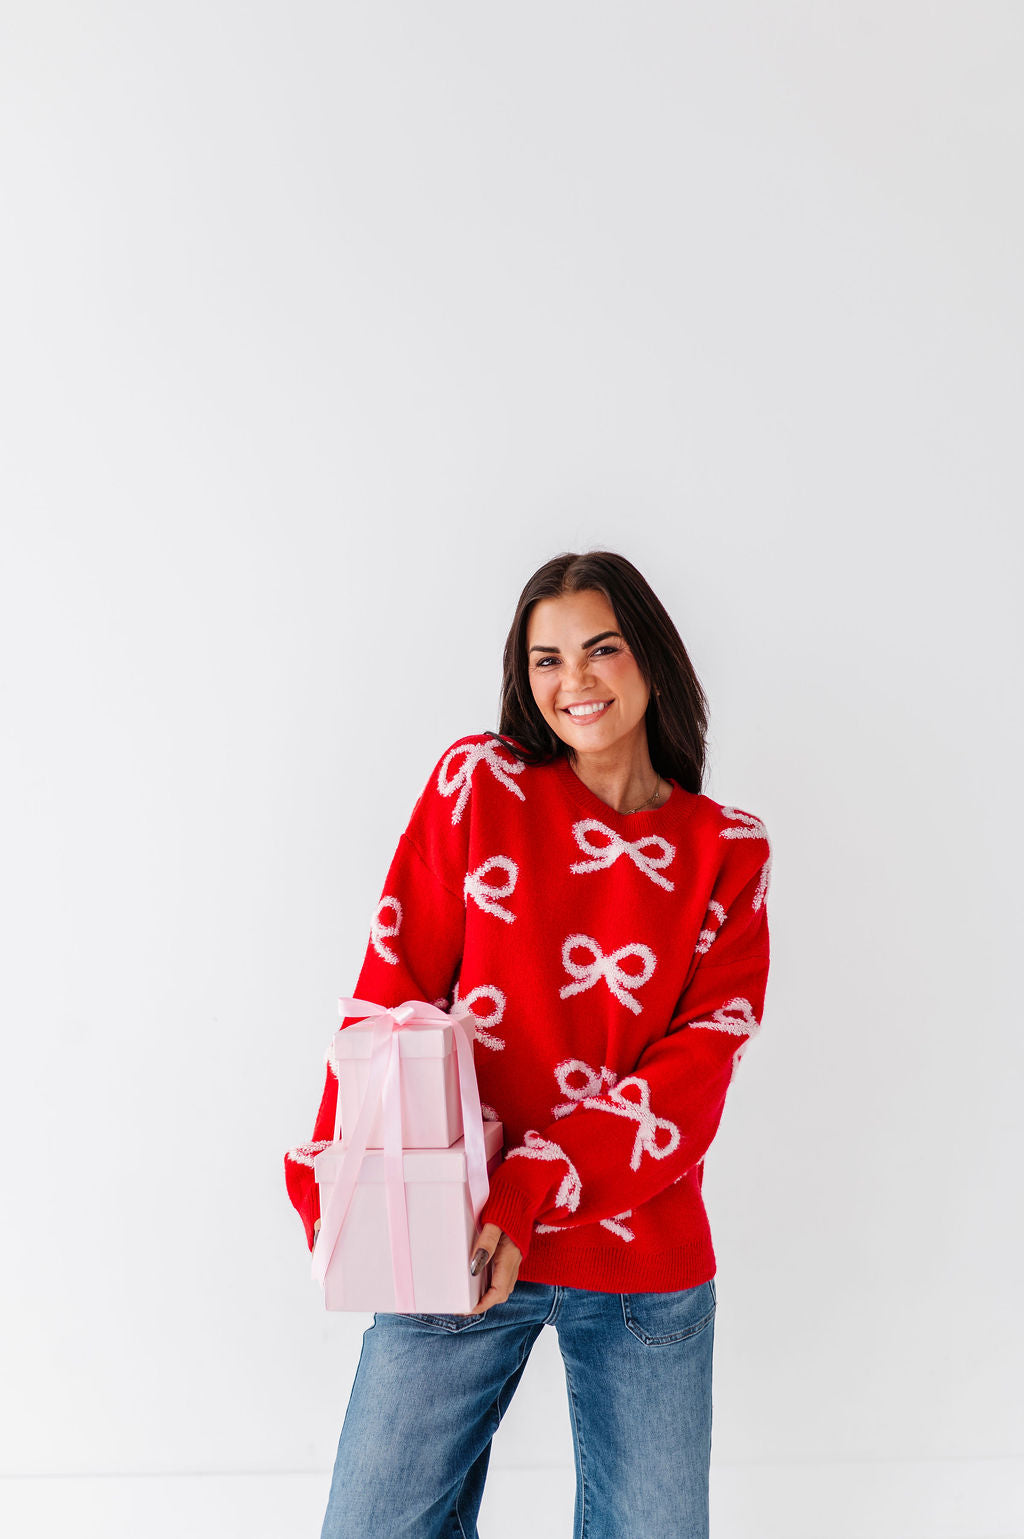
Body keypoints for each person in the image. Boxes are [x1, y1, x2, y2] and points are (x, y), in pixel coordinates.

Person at [285, 548, 773, 1539]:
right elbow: (393, 987)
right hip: (452, 1233)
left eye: (601, 648)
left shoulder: (726, 851)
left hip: (639, 1254)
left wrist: (536, 1181)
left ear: (653, 657)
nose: (574, 679)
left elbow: (695, 1071)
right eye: (546, 659)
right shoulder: (479, 786)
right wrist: (343, 1171)